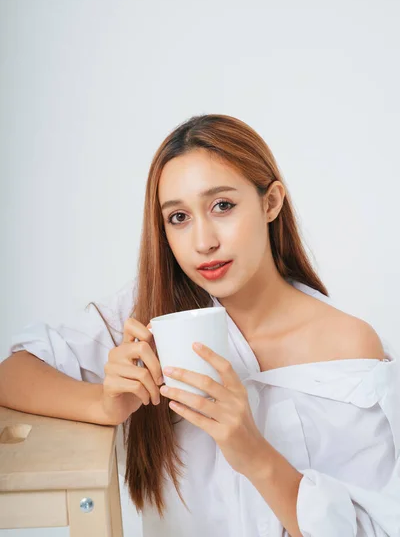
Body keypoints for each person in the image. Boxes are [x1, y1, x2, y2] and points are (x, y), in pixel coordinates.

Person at [1, 113, 399, 537]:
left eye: (222, 206)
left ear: (271, 202)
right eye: (179, 217)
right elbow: (14, 373)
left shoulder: (348, 347)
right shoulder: (149, 318)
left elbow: (375, 528)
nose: (203, 241)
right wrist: (103, 404)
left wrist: (253, 454)